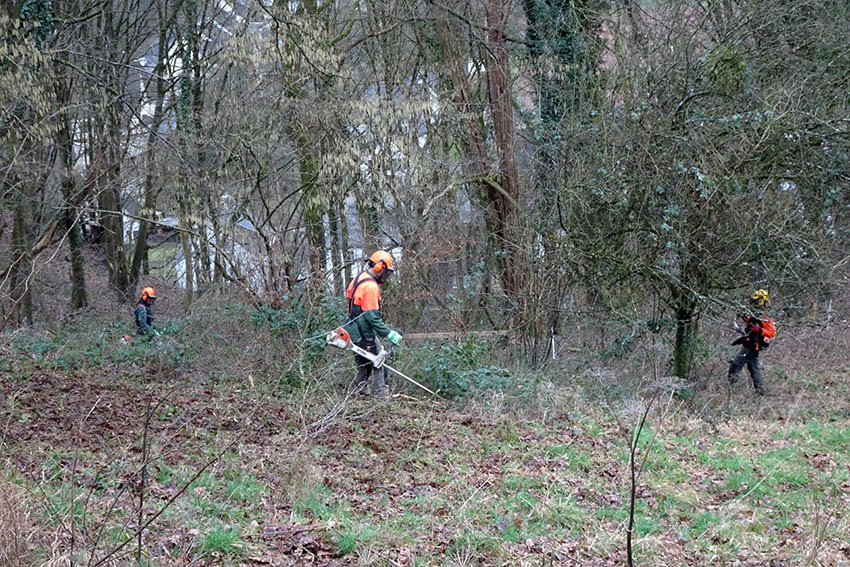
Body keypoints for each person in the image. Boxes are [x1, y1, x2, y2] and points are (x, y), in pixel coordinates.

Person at [343, 250, 403, 398]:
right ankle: (381, 395)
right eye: (385, 271)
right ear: (378, 268)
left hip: (353, 328)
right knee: (378, 362)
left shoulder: (359, 278)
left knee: (364, 364)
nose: (385, 275)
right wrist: (388, 333)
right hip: (364, 331)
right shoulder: (370, 286)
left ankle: (358, 390)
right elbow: (372, 317)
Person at [728, 289, 770, 396]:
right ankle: (761, 391)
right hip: (749, 343)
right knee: (753, 366)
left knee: (735, 366)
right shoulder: (755, 312)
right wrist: (742, 315)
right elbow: (749, 320)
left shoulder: (764, 315)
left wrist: (759, 330)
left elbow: (770, 331)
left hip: (753, 344)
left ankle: (731, 392)